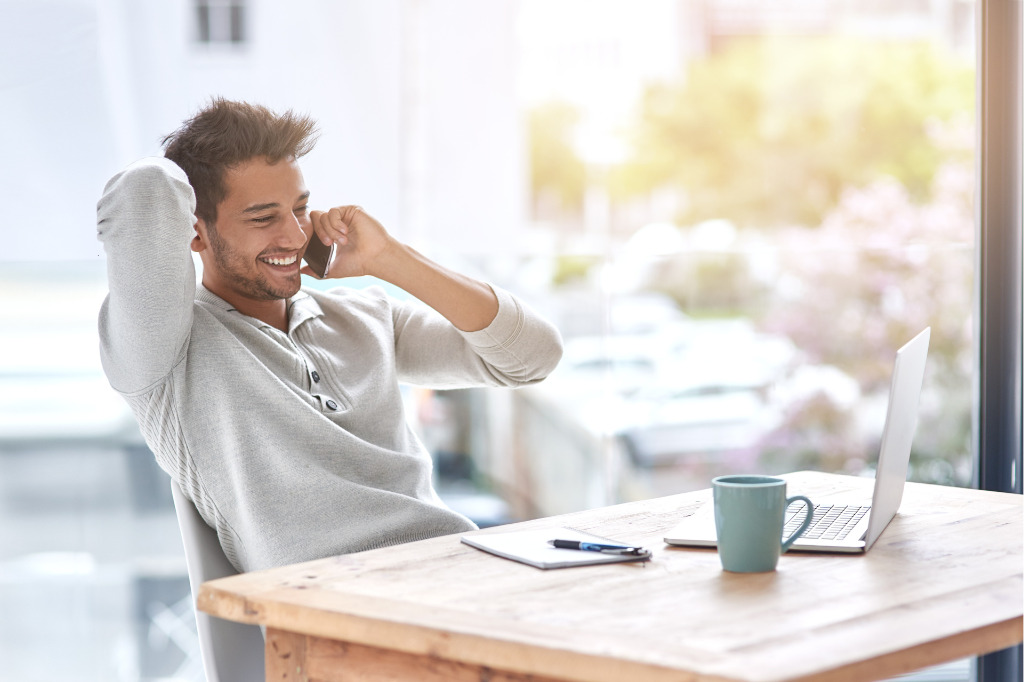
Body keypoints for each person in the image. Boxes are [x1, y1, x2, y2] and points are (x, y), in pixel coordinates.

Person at [96, 98, 563, 573]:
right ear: (194, 232)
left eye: (300, 209)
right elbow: (145, 191)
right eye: (263, 218)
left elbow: (533, 357)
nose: (296, 236)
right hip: (332, 607)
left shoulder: (364, 317)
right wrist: (191, 171)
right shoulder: (167, 351)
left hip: (453, 565)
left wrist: (389, 259)